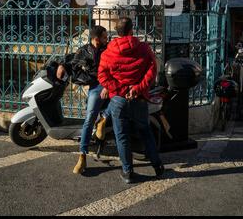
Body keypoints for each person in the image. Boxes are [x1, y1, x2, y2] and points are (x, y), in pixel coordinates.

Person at [98, 17, 164, 184]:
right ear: (131, 30)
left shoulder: (108, 52)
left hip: (118, 100)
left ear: (117, 32)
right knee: (145, 132)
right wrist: (137, 88)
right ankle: (158, 166)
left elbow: (102, 76)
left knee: (122, 137)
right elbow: (152, 68)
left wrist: (120, 89)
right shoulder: (143, 47)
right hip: (139, 98)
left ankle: (128, 172)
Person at [56, 25, 111, 174]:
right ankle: (82, 155)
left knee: (120, 100)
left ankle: (104, 118)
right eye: (105, 37)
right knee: (88, 119)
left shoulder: (109, 48)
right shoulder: (84, 50)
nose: (107, 39)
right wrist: (61, 65)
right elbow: (72, 60)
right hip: (96, 86)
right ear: (96, 39)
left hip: (111, 83)